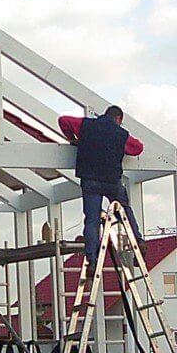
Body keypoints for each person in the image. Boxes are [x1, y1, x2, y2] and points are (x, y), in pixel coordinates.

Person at [58, 105, 144, 272]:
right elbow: (138, 148)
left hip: (90, 180)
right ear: (119, 119)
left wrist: (74, 139)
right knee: (124, 210)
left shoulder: (87, 125)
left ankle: (92, 259)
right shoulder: (120, 134)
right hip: (112, 180)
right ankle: (138, 242)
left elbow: (63, 121)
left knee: (92, 220)